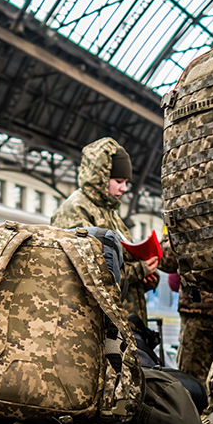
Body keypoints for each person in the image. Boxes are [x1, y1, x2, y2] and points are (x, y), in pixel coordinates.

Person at [51, 138, 158, 324]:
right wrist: (139, 270)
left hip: (121, 321)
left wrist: (146, 279)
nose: (124, 188)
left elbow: (121, 266)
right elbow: (89, 273)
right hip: (97, 324)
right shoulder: (75, 209)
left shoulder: (110, 212)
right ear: (100, 177)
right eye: (119, 181)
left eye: (126, 182)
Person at [159, 234, 213, 382]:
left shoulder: (193, 221)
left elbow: (166, 260)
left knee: (192, 380)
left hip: (199, 309)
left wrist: (165, 239)